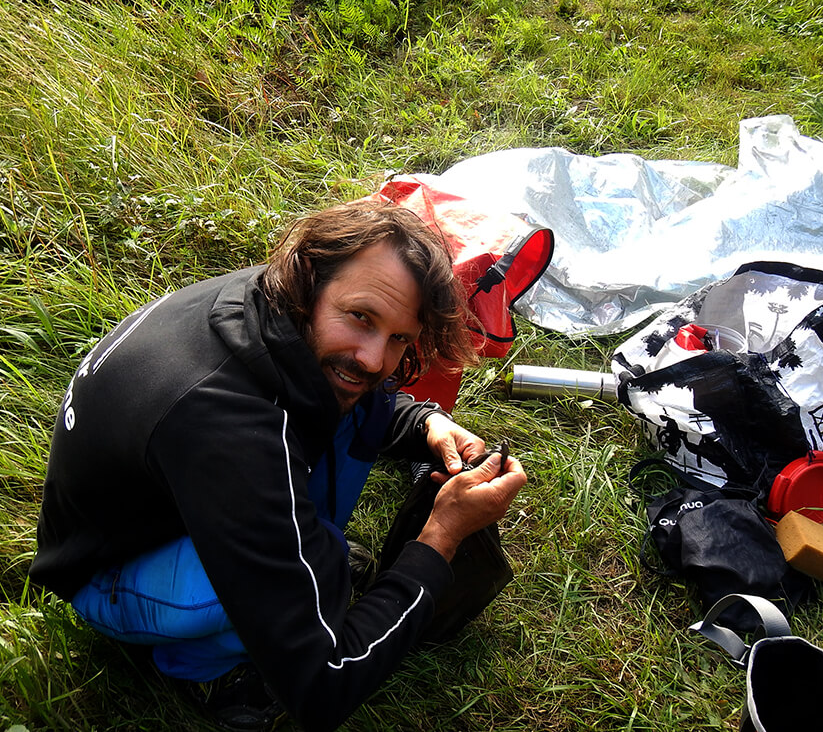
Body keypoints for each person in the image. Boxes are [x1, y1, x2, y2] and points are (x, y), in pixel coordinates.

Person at [28, 200, 528, 732]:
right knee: (313, 580)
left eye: (399, 337)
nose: (375, 358)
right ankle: (204, 669)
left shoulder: (269, 303)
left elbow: (368, 387)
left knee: (354, 401)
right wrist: (440, 538)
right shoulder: (229, 428)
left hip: (173, 491)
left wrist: (423, 423)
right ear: (310, 279)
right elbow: (324, 687)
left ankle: (301, 562)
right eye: (362, 318)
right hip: (108, 571)